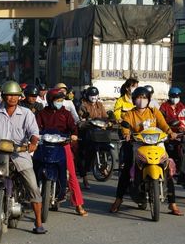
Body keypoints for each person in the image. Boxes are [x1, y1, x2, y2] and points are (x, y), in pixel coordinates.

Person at [0, 81, 46, 234]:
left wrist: (33, 142)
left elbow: (34, 132)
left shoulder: (26, 113)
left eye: (15, 95)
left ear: (19, 97)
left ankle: (39, 222)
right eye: (9, 95)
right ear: (4, 96)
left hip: (20, 154)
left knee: (33, 187)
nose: (12, 98)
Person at [110, 86, 182, 215]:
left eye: (144, 97)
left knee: (167, 170)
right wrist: (126, 134)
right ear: (133, 100)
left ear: (148, 99)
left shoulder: (154, 112)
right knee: (127, 169)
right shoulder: (130, 114)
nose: (141, 100)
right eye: (138, 98)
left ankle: (172, 204)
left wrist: (170, 133)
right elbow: (125, 126)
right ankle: (118, 200)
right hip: (139, 144)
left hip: (156, 143)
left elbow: (163, 124)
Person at [36, 88, 88, 217]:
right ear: (50, 100)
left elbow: (73, 128)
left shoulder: (66, 113)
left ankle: (78, 204)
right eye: (57, 100)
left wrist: (74, 135)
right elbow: (36, 128)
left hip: (62, 145)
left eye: (61, 100)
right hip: (44, 145)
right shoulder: (42, 113)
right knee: (34, 167)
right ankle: (31, 197)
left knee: (70, 173)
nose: (60, 102)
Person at [77, 86, 108, 189]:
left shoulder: (100, 105)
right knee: (84, 154)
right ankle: (85, 177)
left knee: (106, 145)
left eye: (95, 95)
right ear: (87, 96)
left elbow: (104, 117)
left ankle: (104, 166)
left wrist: (108, 121)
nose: (94, 97)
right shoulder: (83, 105)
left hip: (99, 132)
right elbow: (81, 119)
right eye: (92, 95)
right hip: (87, 132)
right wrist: (87, 121)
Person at [160, 87, 185, 185]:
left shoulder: (181, 107)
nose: (175, 98)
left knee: (183, 151)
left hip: (179, 135)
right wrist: (169, 130)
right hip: (167, 134)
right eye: (173, 96)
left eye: (177, 96)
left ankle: (182, 174)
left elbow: (183, 121)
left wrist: (182, 128)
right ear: (169, 96)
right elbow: (160, 121)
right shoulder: (164, 106)